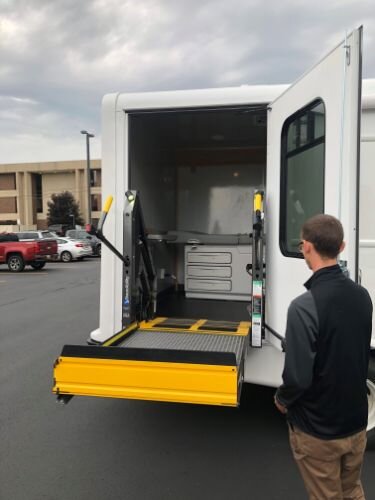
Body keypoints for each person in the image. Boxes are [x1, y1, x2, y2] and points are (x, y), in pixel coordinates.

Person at [274, 214, 372, 500]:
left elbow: (298, 377)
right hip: (356, 426)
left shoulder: (303, 307)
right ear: (342, 247)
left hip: (319, 432)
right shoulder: (362, 296)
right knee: (352, 490)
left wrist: (282, 399)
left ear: (305, 246)